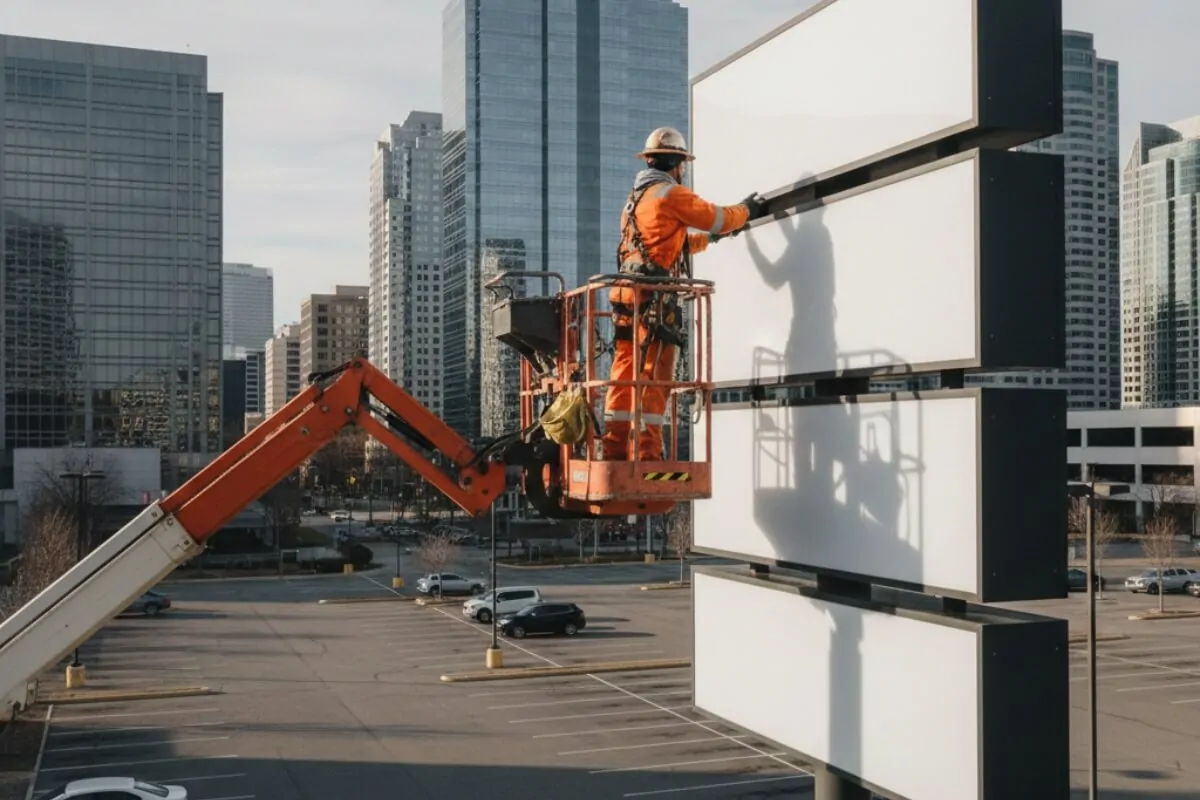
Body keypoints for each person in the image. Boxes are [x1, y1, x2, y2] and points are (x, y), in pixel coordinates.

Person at [602, 126, 765, 462]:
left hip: (626, 294)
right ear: (677, 164)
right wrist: (747, 210)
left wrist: (712, 240)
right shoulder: (671, 194)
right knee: (655, 375)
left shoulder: (637, 199)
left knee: (624, 372)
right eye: (683, 166)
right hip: (653, 300)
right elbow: (717, 217)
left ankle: (614, 449)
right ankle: (647, 454)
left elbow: (671, 246)